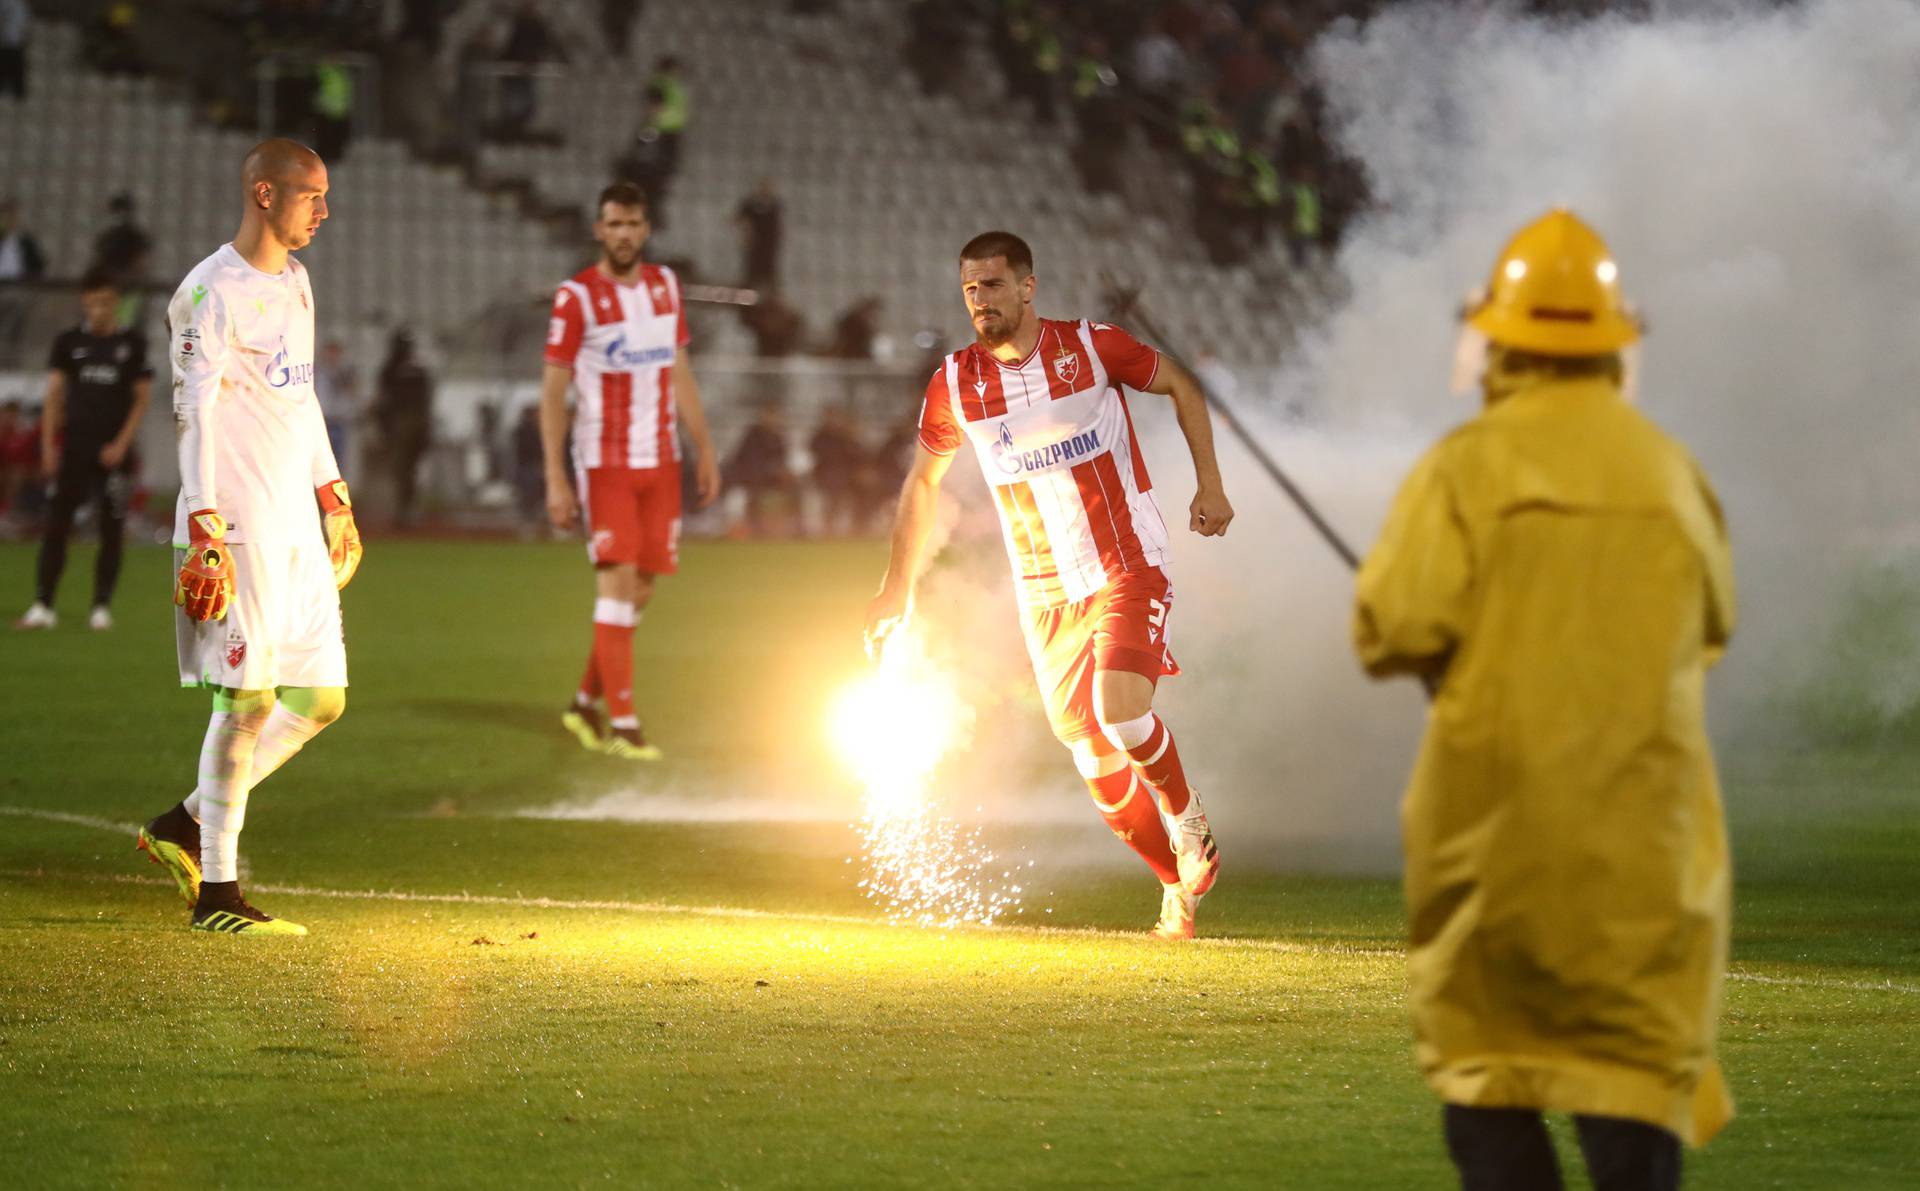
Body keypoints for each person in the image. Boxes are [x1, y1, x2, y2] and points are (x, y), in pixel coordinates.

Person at [1353, 209, 1736, 1190]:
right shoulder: (1671, 472)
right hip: (1648, 864)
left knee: (1492, 1097)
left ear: (1499, 339)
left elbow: (1389, 632)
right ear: (1613, 346)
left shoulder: (1462, 469)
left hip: (1497, 856)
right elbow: (1711, 629)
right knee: (1631, 1110)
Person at [864, 231, 1234, 939]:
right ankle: (1173, 890)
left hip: (1127, 561)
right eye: (971, 289)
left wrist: (1209, 485)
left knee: (1122, 714)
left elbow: (1182, 385)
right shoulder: (955, 383)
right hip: (1045, 592)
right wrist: (895, 587)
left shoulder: (1093, 347)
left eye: (995, 286)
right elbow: (923, 482)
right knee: (1094, 760)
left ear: (1028, 287)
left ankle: (1188, 820)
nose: (982, 301)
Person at [133, 139, 363, 938]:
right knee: (247, 702)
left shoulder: (296, 282)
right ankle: (217, 895)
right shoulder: (207, 292)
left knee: (321, 699)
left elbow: (300, 403)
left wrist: (333, 495)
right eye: (311, 196)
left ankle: (185, 822)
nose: (323, 211)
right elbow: (190, 412)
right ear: (266, 193)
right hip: (236, 530)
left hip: (296, 527)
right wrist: (202, 525)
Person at [541, 181, 720, 760]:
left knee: (638, 592)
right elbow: (552, 393)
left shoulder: (665, 286)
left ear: (646, 229)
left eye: (633, 224)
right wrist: (555, 476)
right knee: (616, 587)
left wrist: (705, 446)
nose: (623, 234)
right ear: (599, 229)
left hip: (661, 461)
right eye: (613, 224)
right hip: (605, 462)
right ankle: (623, 724)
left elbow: (681, 371)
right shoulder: (577, 297)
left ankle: (584, 705)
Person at [14, 269, 150, 631]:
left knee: (111, 527)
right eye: (94, 302)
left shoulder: (132, 343)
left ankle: (101, 607)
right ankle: (43, 605)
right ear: (84, 302)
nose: (100, 309)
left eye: (106, 302)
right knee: (57, 526)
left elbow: (141, 399)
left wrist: (121, 444)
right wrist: (48, 445)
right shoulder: (68, 342)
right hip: (74, 446)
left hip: (114, 451)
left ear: (116, 303)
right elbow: (55, 395)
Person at [373, 329, 433, 524]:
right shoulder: (412, 369)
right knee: (405, 471)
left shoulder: (391, 369)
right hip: (406, 425)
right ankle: (404, 508)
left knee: (403, 470)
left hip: (402, 426)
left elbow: (383, 401)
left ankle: (405, 509)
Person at [733, 177, 783, 290]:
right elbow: (739, 219)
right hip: (755, 242)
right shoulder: (749, 204)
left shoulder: (776, 205)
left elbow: (778, 224)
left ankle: (771, 292)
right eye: (764, 187)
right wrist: (745, 234)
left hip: (770, 243)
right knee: (752, 267)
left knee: (769, 267)